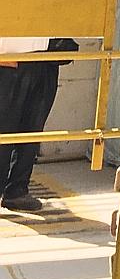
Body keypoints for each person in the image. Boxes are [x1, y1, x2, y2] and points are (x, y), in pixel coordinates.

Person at [0, 37, 75, 212]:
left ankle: (17, 190)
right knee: (4, 131)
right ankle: (15, 190)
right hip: (9, 61)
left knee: (33, 130)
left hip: (43, 62)